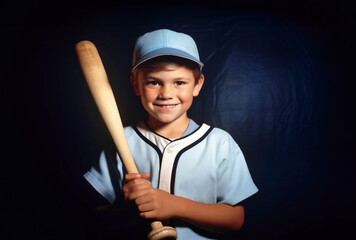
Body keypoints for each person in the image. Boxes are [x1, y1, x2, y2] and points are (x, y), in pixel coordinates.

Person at [84, 29, 258, 239]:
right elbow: (97, 216)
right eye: (153, 82)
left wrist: (175, 205)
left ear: (198, 84)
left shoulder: (219, 143)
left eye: (179, 82)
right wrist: (129, 210)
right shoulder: (121, 140)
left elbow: (235, 219)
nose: (166, 94)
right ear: (135, 85)